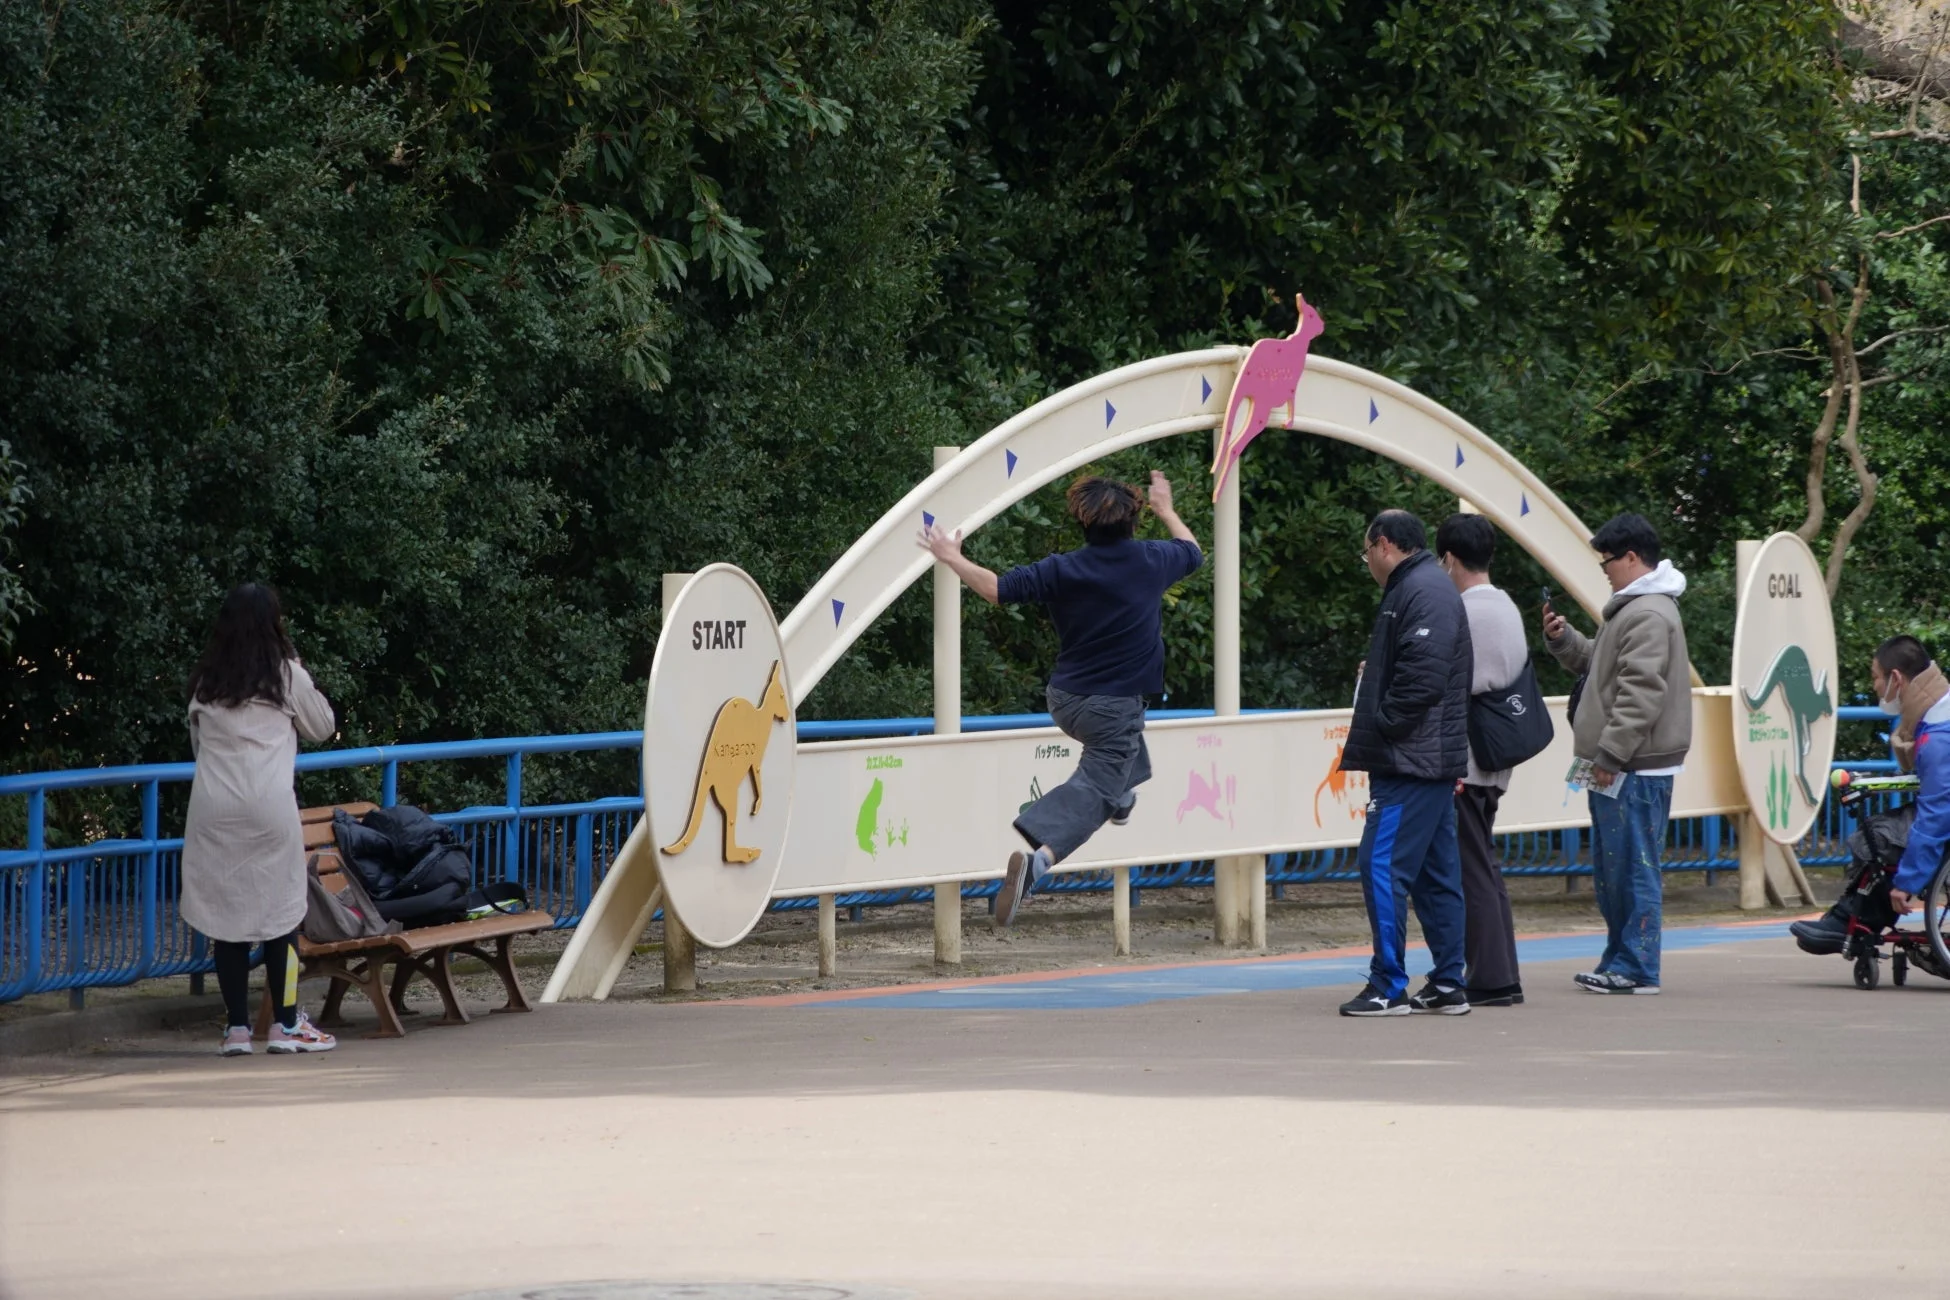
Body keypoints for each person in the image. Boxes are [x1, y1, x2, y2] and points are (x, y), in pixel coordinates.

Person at [920, 471, 1202, 926]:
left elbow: (994, 588)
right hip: (1114, 707)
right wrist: (1167, 510)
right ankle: (1040, 861)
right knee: (1098, 787)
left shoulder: (1061, 568)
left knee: (1122, 751)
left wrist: (951, 557)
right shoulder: (1154, 559)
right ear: (1134, 521)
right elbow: (1193, 552)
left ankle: (1124, 790)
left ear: (1082, 523)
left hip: (1066, 701)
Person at [180, 583, 341, 1055]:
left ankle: (236, 1030)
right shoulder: (285, 675)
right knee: (283, 916)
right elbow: (323, 726)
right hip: (269, 807)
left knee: (225, 918)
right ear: (274, 623)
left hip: (214, 809)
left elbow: (198, 747)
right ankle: (286, 1025)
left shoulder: (206, 682)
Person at [1542, 513, 1691, 994]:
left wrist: (1609, 755)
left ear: (1632, 557)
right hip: (1622, 761)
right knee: (1617, 867)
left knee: (1632, 866)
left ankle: (1637, 967)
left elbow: (1640, 693)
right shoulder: (1635, 608)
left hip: (1630, 765)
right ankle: (1621, 959)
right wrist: (1564, 641)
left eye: (1608, 560)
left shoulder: (1646, 612)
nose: (1604, 569)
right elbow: (1603, 668)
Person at [1337, 509, 1473, 1017]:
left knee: (1381, 864)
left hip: (1409, 760)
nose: (1367, 560)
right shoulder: (1425, 587)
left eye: (1366, 550)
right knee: (1435, 876)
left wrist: (1385, 720)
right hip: (1428, 759)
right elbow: (1422, 669)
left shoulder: (1421, 590)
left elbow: (1423, 679)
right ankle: (1447, 982)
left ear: (1385, 544)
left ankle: (1388, 985)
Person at [1791, 636, 1948, 952]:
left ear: (1896, 679)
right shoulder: (1938, 719)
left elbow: (1937, 816)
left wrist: (1907, 882)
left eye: (1876, 677)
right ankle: (1850, 915)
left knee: (1877, 835)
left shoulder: (1938, 738)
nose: (1875, 686)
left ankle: (1854, 920)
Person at [1435, 512, 1529, 1007]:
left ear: (1449, 558)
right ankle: (1500, 972)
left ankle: (1491, 977)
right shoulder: (1507, 606)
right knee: (1484, 865)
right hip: (1494, 757)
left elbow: (1450, 684)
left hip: (1465, 759)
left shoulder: (1465, 611)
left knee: (1469, 868)